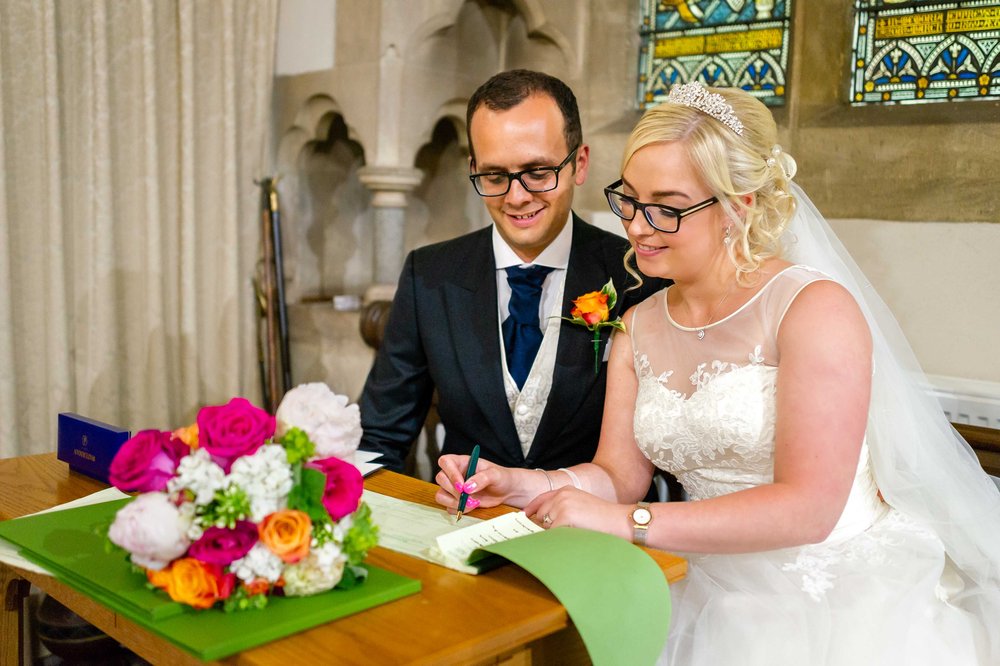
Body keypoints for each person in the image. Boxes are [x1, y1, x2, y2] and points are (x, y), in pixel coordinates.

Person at [435, 82, 1000, 664]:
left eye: (668, 207)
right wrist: (529, 484)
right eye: (628, 200)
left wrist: (624, 522)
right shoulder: (637, 325)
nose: (638, 226)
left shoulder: (811, 310)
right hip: (698, 576)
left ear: (740, 206)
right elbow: (616, 476)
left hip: (831, 596)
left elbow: (808, 507)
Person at [359, 69, 664, 477]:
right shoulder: (429, 275)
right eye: (494, 176)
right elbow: (380, 437)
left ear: (580, 163)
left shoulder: (637, 275)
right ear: (474, 169)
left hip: (593, 528)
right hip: (463, 525)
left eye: (538, 172)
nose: (516, 197)